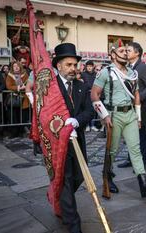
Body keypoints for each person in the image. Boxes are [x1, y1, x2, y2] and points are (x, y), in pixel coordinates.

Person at [91, 41, 146, 198]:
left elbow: (136, 95)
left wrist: (138, 116)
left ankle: (144, 185)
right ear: (113, 55)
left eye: (126, 51)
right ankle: (107, 178)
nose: (125, 53)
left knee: (135, 149)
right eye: (121, 51)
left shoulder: (132, 73)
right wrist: (104, 115)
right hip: (114, 115)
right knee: (113, 150)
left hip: (130, 115)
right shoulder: (106, 72)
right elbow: (94, 94)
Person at [52, 43, 93, 233]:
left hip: (78, 140)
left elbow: (89, 110)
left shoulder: (81, 87)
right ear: (59, 65)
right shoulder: (51, 88)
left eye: (75, 65)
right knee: (66, 180)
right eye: (68, 65)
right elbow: (43, 115)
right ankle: (73, 223)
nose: (73, 69)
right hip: (57, 144)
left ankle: (59, 197)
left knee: (78, 176)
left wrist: (76, 121)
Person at [118, 42, 146, 168]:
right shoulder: (127, 67)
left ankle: (141, 163)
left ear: (137, 53)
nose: (126, 52)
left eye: (128, 50)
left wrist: (138, 98)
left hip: (140, 109)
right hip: (127, 108)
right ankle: (130, 160)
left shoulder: (143, 67)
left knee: (140, 138)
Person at [5, 62, 29, 138]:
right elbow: (9, 86)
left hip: (23, 99)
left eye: (17, 66)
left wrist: (25, 87)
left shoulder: (25, 74)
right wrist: (18, 88)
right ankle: (14, 133)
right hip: (13, 99)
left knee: (22, 117)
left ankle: (21, 132)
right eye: (14, 66)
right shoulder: (10, 75)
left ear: (20, 67)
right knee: (13, 117)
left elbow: (29, 83)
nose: (16, 67)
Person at [81, 60, 99, 132]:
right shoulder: (83, 74)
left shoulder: (96, 74)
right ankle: (87, 125)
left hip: (94, 94)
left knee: (94, 110)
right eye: (88, 66)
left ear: (93, 67)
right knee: (87, 110)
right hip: (86, 94)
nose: (89, 68)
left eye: (90, 66)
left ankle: (93, 125)